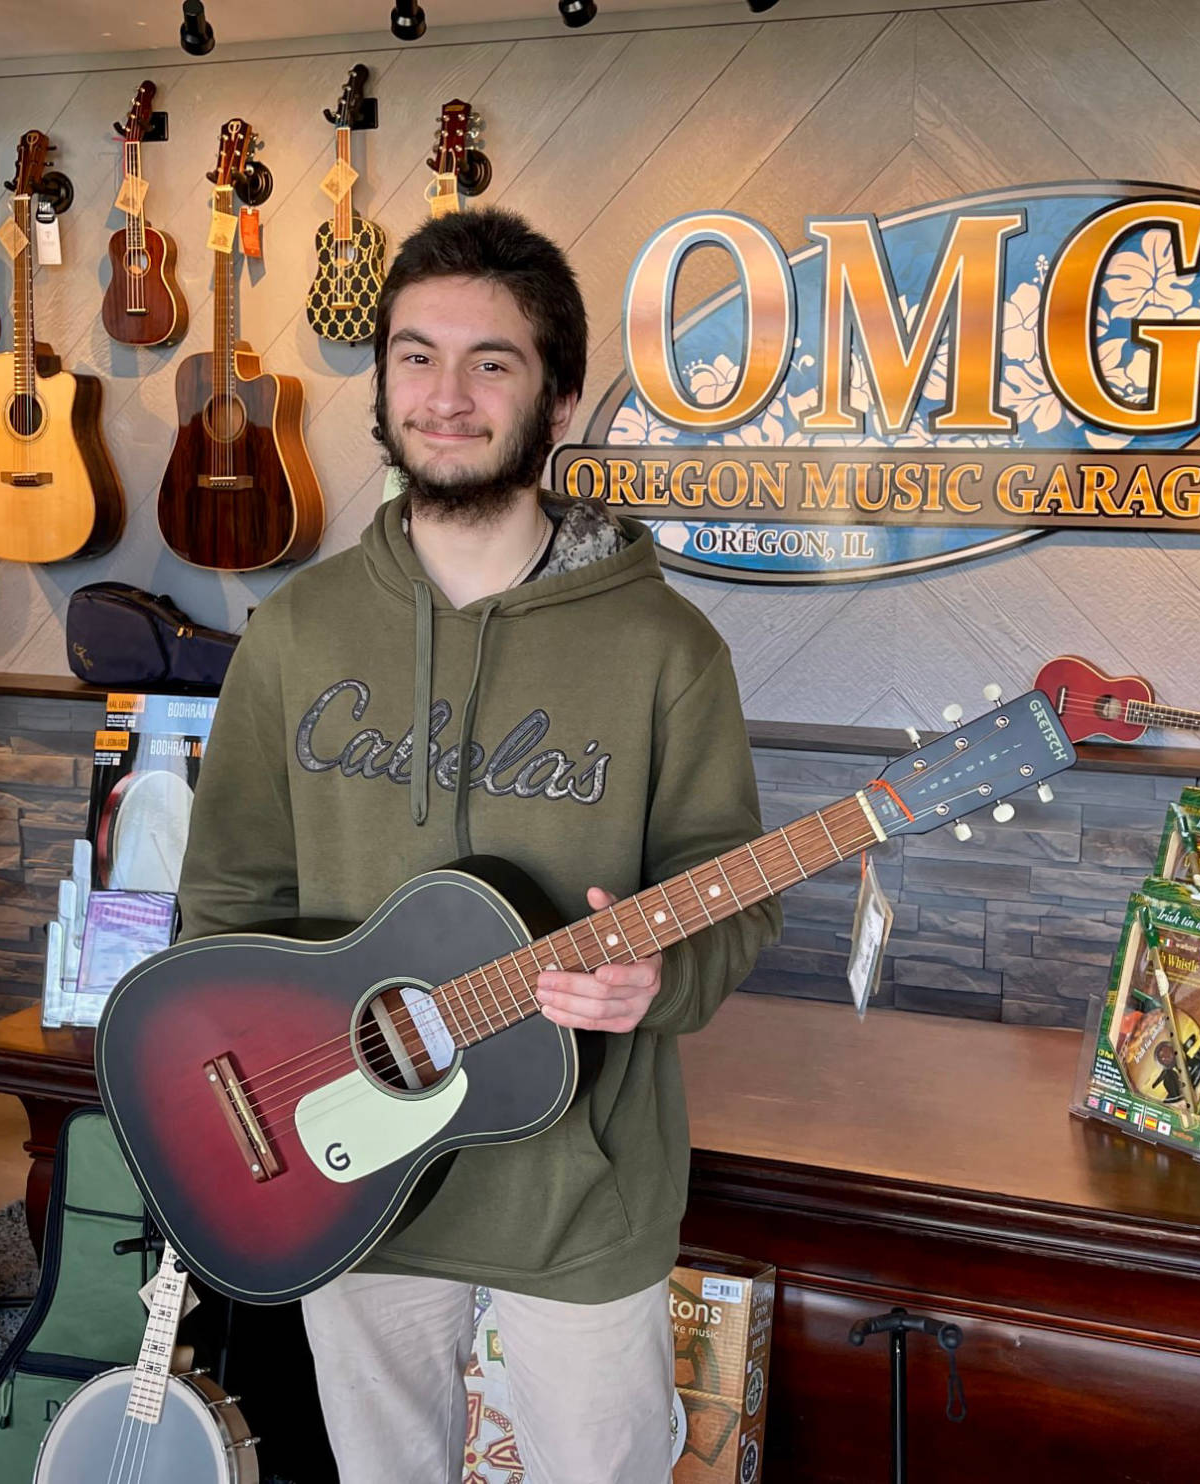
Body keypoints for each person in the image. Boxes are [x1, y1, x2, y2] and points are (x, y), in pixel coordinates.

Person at [174, 207, 782, 1484]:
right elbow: (228, 890)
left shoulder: (666, 650)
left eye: (489, 362)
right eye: (413, 356)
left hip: (581, 1190)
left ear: (556, 401)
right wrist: (242, 1091)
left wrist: (658, 978)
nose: (443, 397)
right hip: (347, 1161)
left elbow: (735, 892)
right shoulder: (295, 629)